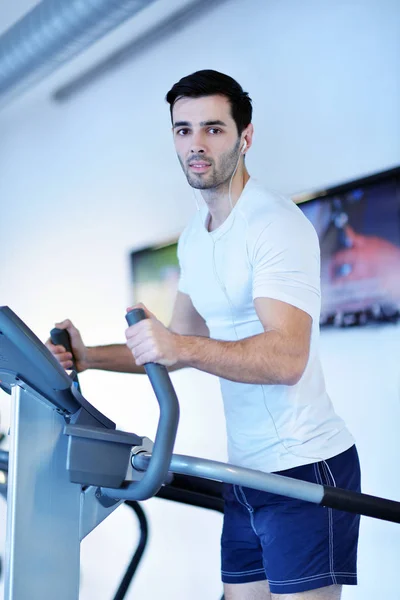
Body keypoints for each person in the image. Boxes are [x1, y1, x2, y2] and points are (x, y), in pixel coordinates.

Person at [47, 70, 360, 600]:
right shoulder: (197, 236)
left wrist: (179, 346)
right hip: (247, 470)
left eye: (213, 129)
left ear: (245, 136)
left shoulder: (273, 224)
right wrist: (87, 357)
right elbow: (174, 344)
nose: (196, 143)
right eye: (183, 129)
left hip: (304, 467)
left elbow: (287, 357)